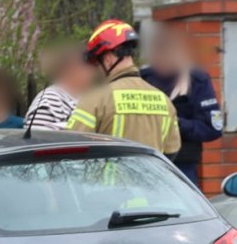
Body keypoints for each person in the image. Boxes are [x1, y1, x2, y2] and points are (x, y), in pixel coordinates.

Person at [67, 19, 181, 158]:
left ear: (108, 58)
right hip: (152, 180)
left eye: (97, 63)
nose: (96, 69)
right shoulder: (164, 101)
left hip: (107, 181)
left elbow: (72, 147)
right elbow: (171, 152)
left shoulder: (94, 100)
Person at [141, 26, 223, 186]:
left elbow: (212, 128)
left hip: (181, 167)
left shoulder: (196, 79)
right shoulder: (144, 79)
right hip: (146, 164)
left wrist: (176, 124)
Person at [25, 44, 97, 130]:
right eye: (91, 66)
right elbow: (37, 140)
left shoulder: (87, 98)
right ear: (72, 68)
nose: (95, 72)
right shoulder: (50, 100)